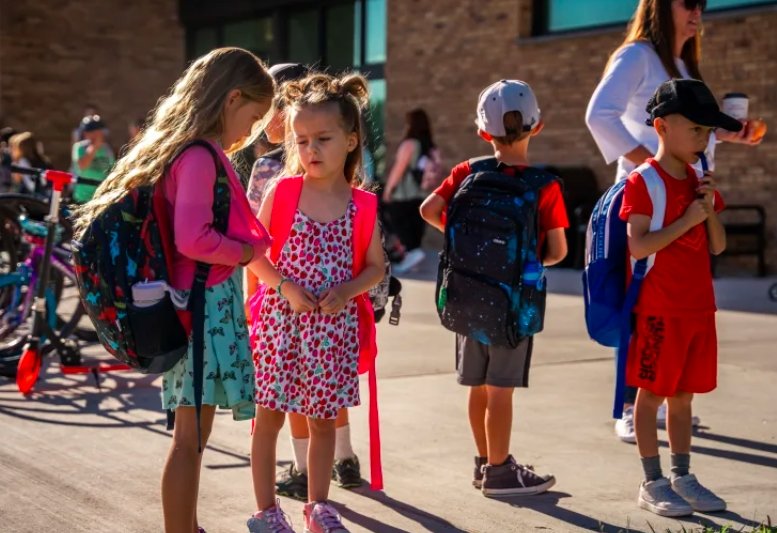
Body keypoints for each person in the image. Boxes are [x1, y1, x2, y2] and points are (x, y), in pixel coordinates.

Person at [72, 47, 275, 533]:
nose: (250, 132)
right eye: (252, 117)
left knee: (191, 436)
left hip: (188, 307)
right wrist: (246, 253)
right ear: (231, 99)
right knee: (189, 439)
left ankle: (187, 526)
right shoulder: (202, 156)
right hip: (198, 311)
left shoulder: (185, 152)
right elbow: (194, 238)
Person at [585, 0, 762, 443]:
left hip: (688, 199)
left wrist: (726, 133)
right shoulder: (637, 54)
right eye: (688, 3)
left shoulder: (683, 63)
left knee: (678, 302)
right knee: (641, 301)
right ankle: (630, 405)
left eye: (703, 3)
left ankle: (663, 400)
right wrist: (654, 167)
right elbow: (598, 114)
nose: (698, 11)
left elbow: (690, 128)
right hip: (649, 200)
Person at [246, 72, 384, 533]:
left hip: (332, 331)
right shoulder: (282, 191)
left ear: (350, 140)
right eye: (302, 140)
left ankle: (318, 508)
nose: (311, 150)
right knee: (268, 419)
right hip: (278, 326)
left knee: (323, 421)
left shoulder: (362, 204)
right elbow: (254, 255)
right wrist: (284, 285)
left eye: (323, 139)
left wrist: (347, 290)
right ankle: (266, 511)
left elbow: (376, 266)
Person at [420, 80, 568, 496]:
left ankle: (484, 463)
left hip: (467, 292)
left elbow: (428, 209)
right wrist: (520, 257)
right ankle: (501, 472)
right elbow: (557, 251)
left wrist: (470, 244)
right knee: (501, 390)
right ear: (537, 127)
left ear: (483, 132)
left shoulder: (467, 172)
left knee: (478, 385)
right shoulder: (545, 184)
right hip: (513, 304)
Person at [620, 78, 736, 516]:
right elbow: (638, 246)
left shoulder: (698, 181)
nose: (702, 139)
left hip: (698, 308)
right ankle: (652, 481)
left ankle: (682, 475)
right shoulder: (642, 182)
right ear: (662, 126)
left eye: (707, 132)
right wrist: (689, 219)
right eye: (696, 129)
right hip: (659, 310)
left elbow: (719, 247)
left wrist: (707, 213)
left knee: (684, 397)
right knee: (650, 395)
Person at [382, 108, 439, 274]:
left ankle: (407, 257)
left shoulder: (409, 144)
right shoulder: (431, 147)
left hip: (403, 195)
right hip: (421, 195)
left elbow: (399, 169)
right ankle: (412, 256)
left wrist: (388, 190)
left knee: (397, 225)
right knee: (414, 229)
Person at [71, 115, 116, 204]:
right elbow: (82, 167)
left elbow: (112, 171)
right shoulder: (80, 147)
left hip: (100, 199)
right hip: (81, 199)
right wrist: (94, 147)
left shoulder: (107, 149)